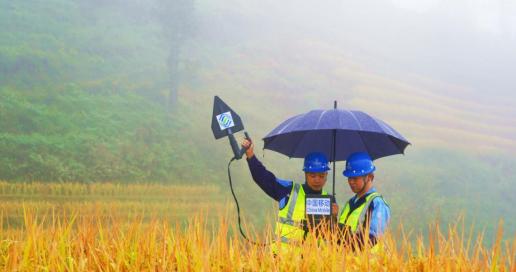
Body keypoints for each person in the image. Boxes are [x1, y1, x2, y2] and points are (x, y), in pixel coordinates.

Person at [241, 139, 338, 251]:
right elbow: (264, 178)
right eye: (313, 175)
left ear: (326, 175)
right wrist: (250, 155)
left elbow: (331, 237)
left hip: (311, 263)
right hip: (281, 261)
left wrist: (334, 218)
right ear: (306, 174)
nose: (317, 180)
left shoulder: (330, 200)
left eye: (321, 176)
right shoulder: (289, 190)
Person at [338, 152, 390, 251]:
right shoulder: (350, 203)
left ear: (370, 177)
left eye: (355, 178)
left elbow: (373, 238)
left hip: (370, 264)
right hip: (349, 263)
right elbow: (341, 234)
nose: (351, 181)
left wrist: (346, 247)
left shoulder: (377, 203)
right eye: (349, 177)